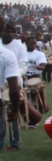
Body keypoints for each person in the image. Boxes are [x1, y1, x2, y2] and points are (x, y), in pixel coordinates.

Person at [0, 17, 22, 152]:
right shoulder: (6, 55)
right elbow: (14, 90)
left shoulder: (16, 47)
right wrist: (14, 109)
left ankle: (15, 142)